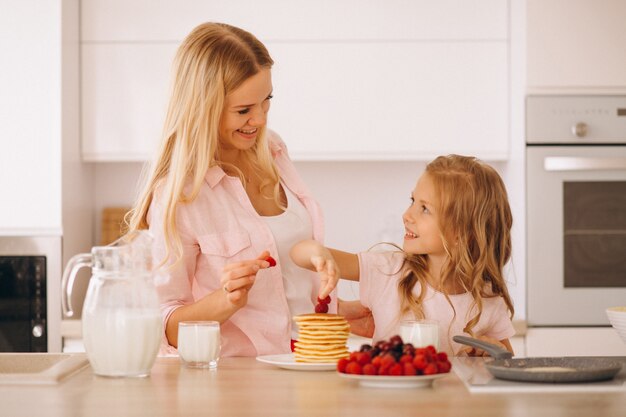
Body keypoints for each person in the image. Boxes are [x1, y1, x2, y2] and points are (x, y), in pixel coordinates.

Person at [126, 22, 364, 357]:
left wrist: (343, 312)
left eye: (266, 100)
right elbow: (162, 325)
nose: (261, 119)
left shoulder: (274, 150)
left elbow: (286, 285)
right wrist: (225, 301)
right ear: (203, 108)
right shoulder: (180, 196)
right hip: (234, 383)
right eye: (244, 110)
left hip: (304, 364)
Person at [290, 155, 516, 356]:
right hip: (388, 402)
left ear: (462, 232)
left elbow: (507, 361)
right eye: (412, 201)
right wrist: (319, 253)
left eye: (424, 208)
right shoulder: (389, 270)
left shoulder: (487, 299)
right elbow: (299, 252)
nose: (407, 215)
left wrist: (491, 351)